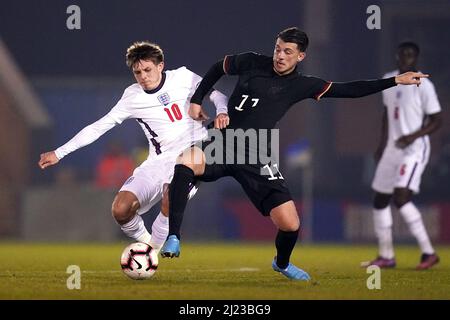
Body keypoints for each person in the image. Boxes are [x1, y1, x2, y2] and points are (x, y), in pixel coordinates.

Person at [160, 27, 429, 280]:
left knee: (290, 224)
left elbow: (349, 90)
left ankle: (282, 263)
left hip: (256, 152)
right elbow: (219, 66)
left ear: (301, 56)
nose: (279, 55)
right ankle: (174, 237)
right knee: (185, 163)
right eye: (278, 49)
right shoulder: (252, 62)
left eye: (287, 51)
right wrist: (197, 99)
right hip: (224, 141)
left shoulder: (303, 84)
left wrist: (395, 80)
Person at [38, 41, 229, 252]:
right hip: (157, 161)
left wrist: (222, 111)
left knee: (170, 195)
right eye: (137, 72)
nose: (143, 77)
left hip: (192, 156)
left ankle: (151, 253)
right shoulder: (132, 96)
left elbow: (218, 95)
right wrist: (59, 152)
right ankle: (148, 244)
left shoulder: (183, 77)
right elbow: (99, 127)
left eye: (147, 70)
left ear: (160, 65)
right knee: (120, 210)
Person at [366, 42, 442, 270]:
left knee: (401, 198)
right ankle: (386, 255)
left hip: (414, 149)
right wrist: (381, 144)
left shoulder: (424, 85)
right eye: (403, 55)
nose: (407, 59)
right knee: (379, 200)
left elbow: (437, 120)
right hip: (391, 148)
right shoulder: (389, 80)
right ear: (397, 57)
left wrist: (412, 136)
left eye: (411, 55)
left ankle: (428, 253)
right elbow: (387, 115)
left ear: (416, 58)